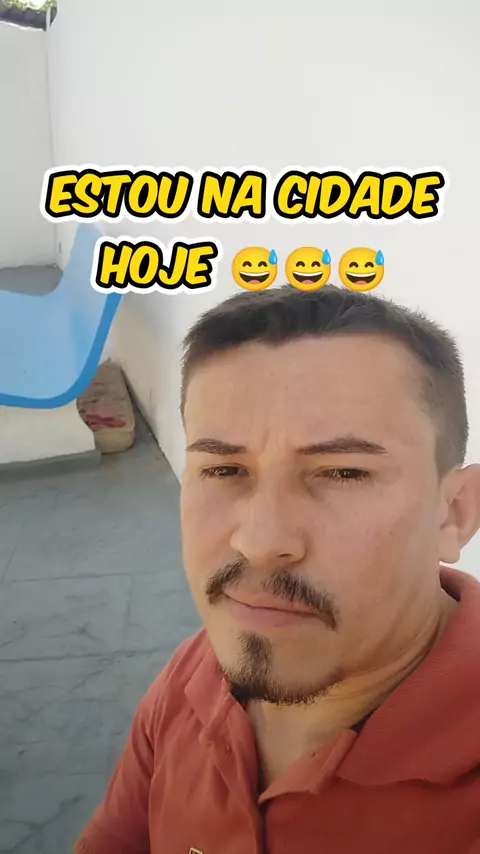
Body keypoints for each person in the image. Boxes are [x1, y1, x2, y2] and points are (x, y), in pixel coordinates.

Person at [75, 284, 480, 854]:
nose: (260, 542)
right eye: (223, 469)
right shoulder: (193, 675)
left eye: (342, 473)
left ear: (454, 513)